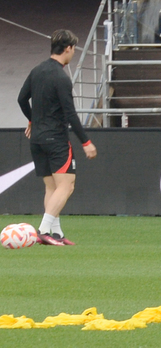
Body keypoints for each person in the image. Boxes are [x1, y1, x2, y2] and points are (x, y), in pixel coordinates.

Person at [17, 29, 98, 246]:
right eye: (74, 49)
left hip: (37, 140)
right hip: (56, 139)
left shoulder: (37, 70)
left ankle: (56, 233)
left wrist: (33, 120)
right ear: (68, 48)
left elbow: (21, 99)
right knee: (67, 185)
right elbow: (70, 113)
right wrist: (86, 142)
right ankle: (43, 230)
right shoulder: (61, 77)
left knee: (52, 187)